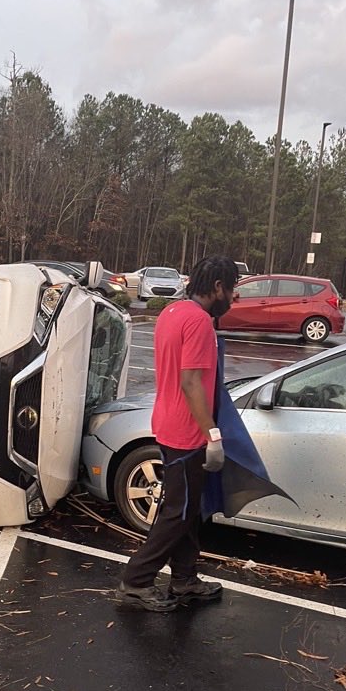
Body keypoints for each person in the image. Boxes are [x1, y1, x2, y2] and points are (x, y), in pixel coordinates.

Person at [116, 255, 238, 612]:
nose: (233, 298)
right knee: (178, 512)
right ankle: (136, 580)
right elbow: (191, 382)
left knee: (188, 509)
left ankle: (184, 578)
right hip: (187, 432)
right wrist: (212, 434)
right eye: (232, 289)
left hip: (168, 422)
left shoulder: (171, 313)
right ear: (218, 287)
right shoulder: (199, 321)